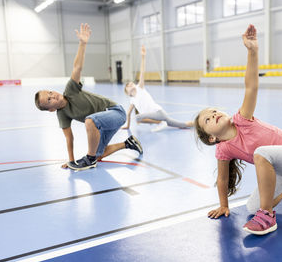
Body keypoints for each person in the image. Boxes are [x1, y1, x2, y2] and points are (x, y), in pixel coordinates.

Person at [194, 25, 282, 235]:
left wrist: (252, 51)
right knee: (252, 207)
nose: (213, 114)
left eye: (213, 110)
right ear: (212, 137)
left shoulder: (242, 119)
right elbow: (223, 180)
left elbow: (251, 87)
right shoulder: (223, 150)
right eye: (208, 119)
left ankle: (267, 217)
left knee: (261, 153)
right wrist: (224, 205)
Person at [34, 23, 143, 171]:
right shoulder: (62, 115)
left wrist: (82, 43)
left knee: (90, 121)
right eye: (49, 100)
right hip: (101, 125)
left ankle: (90, 160)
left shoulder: (70, 90)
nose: (53, 96)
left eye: (50, 93)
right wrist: (71, 161)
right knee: (99, 153)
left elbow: (77, 68)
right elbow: (69, 138)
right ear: (51, 109)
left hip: (116, 112)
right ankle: (128, 143)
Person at [121, 45, 193, 132]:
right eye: (128, 86)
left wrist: (143, 57)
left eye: (131, 83)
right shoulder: (132, 100)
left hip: (158, 113)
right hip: (157, 117)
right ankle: (196, 124)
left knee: (138, 117)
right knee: (182, 125)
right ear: (128, 93)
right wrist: (127, 126)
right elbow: (128, 114)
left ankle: (160, 123)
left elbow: (142, 72)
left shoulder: (140, 88)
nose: (131, 85)